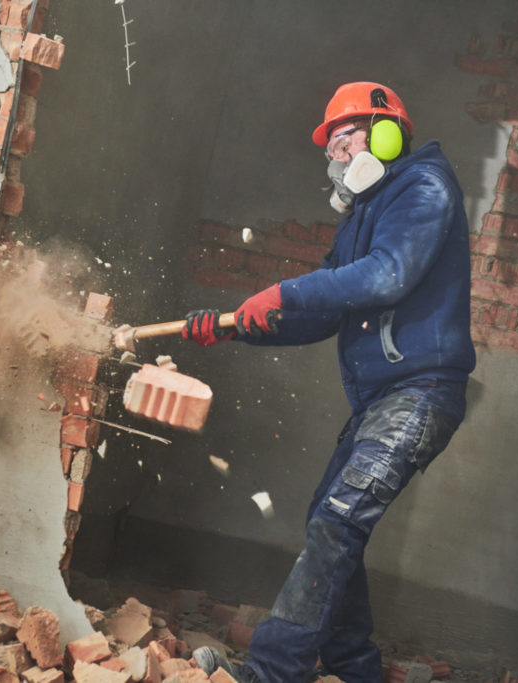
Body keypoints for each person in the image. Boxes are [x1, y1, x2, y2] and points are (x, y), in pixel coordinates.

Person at [182, 82, 477, 683]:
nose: (336, 157)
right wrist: (240, 326)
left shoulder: (424, 188)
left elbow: (386, 276)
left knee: (337, 521)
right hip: (383, 401)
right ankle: (355, 670)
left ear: (386, 133)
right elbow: (324, 310)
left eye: (343, 139)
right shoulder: (366, 214)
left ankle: (268, 673)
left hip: (419, 394)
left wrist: (283, 291)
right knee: (331, 518)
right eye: (332, 146)